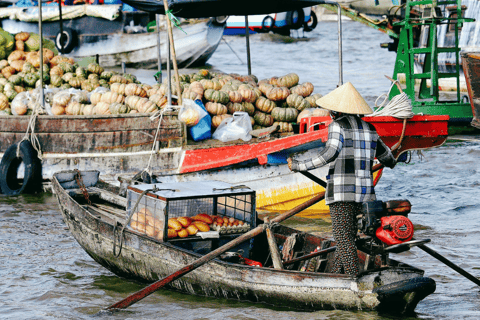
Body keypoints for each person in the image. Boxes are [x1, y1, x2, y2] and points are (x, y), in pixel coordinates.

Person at [287, 82, 396, 276]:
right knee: (348, 238)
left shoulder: (337, 126)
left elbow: (328, 155)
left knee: (344, 239)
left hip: (342, 193)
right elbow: (387, 157)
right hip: (365, 196)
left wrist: (298, 165)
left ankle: (354, 279)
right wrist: (396, 158)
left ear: (337, 111)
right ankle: (337, 276)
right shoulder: (370, 129)